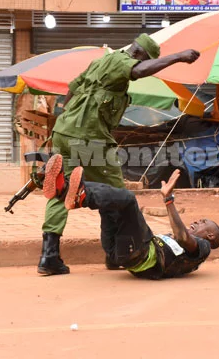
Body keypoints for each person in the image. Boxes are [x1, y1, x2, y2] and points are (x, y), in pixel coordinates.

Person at [39, 33, 201, 276]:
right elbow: (138, 71)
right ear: (137, 54)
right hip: (88, 137)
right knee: (117, 194)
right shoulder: (120, 62)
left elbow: (73, 88)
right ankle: (114, 253)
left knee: (62, 187)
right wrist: (177, 57)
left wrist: (63, 118)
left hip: (65, 130)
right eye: (144, 60)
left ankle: (49, 256)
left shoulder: (99, 62)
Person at [41, 154, 219, 279]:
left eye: (203, 222)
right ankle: (64, 190)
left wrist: (168, 200)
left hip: (140, 255)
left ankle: (80, 196)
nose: (197, 221)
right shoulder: (186, 250)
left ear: (210, 236)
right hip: (120, 253)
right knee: (113, 202)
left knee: (128, 199)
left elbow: (183, 238)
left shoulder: (203, 247)